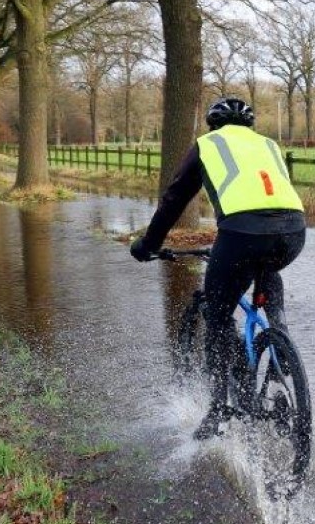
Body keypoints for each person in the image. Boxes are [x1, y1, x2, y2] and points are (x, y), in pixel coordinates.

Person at [130, 97, 305, 424]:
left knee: (217, 312)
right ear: (249, 125)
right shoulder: (268, 144)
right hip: (294, 232)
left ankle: (220, 405)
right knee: (267, 265)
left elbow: (175, 198)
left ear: (213, 125)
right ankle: (279, 336)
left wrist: (149, 244)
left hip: (241, 234)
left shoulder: (208, 145)